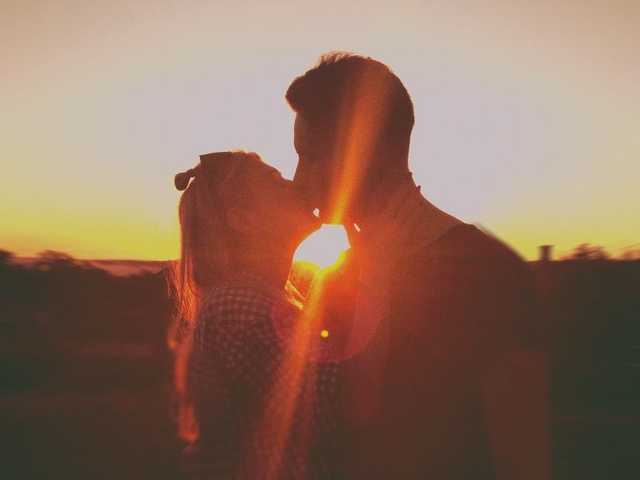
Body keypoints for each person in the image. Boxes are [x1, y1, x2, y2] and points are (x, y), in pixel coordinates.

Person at [286, 52, 546, 479]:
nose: (299, 179)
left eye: (311, 157)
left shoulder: (487, 274)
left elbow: (524, 461)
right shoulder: (335, 282)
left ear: (366, 153)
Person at [168, 151, 343, 480]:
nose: (295, 184)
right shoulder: (238, 306)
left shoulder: (256, 298)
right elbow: (342, 398)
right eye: (276, 182)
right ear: (243, 220)